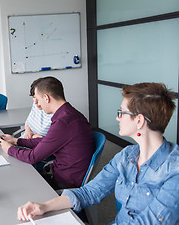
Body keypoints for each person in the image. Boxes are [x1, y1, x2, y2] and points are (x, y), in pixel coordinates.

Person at [17, 82, 179, 224]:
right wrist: (43, 207)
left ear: (139, 121)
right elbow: (91, 191)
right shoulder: (127, 155)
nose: (117, 118)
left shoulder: (174, 170)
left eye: (121, 112)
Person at [0, 77, 94, 189]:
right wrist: (16, 141)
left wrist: (9, 148)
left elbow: (32, 157)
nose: (37, 104)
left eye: (37, 99)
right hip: (64, 173)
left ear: (46, 98)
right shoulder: (69, 114)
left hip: (64, 182)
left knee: (16, 183)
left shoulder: (63, 122)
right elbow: (46, 141)